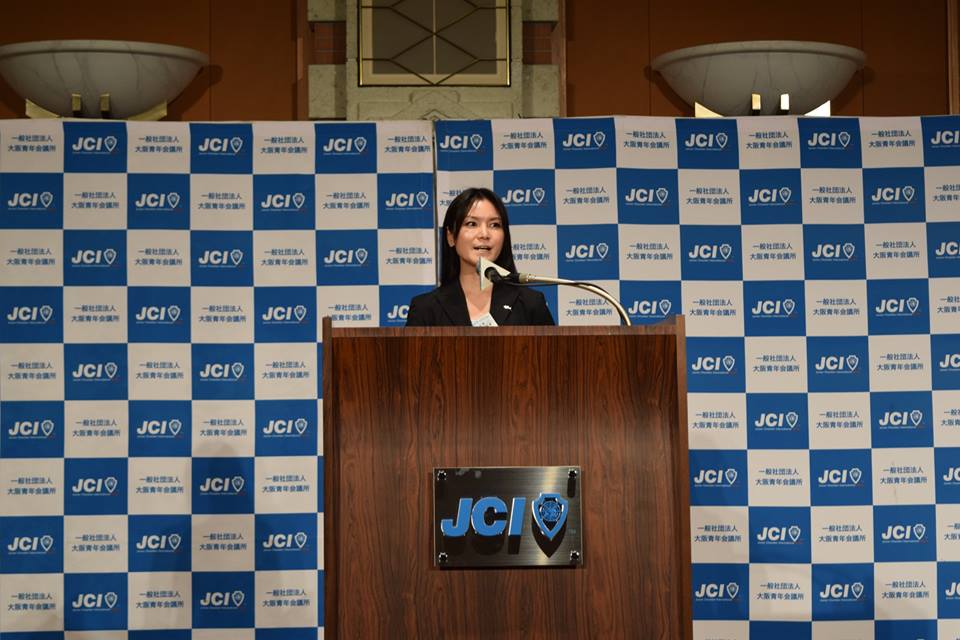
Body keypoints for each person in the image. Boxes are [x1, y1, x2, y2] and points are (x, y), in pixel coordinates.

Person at [405, 187, 555, 327]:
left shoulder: (530, 303)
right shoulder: (426, 309)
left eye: (494, 225)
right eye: (472, 224)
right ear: (451, 236)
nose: (484, 234)